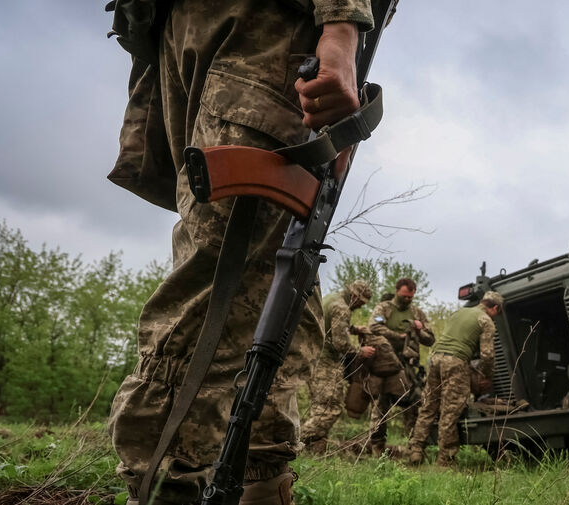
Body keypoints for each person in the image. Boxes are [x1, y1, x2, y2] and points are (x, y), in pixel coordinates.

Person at [106, 2, 376, 504]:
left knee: (274, 281)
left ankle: (260, 482)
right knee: (227, 279)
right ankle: (166, 486)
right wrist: (341, 31)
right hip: (259, 37)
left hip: (202, 35)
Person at [407, 291, 504, 467]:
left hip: (435, 359)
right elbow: (487, 355)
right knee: (449, 411)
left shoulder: (459, 312)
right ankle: (445, 460)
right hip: (455, 362)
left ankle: (416, 451)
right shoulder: (485, 320)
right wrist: (487, 375)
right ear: (495, 308)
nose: (497, 317)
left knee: (428, 407)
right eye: (498, 314)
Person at [300, 280, 375, 454]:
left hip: (313, 355)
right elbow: (340, 343)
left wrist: (354, 329)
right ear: (355, 296)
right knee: (329, 409)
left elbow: (329, 325)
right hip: (325, 362)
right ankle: (295, 442)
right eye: (361, 303)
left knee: (320, 407)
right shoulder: (342, 308)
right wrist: (360, 351)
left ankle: (311, 451)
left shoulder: (331, 298)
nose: (361, 306)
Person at [362, 278, 434, 455]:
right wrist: (398, 336)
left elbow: (430, 339)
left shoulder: (417, 313)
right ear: (397, 292)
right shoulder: (384, 309)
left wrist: (419, 330)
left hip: (409, 366)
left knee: (415, 404)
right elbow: (374, 326)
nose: (408, 300)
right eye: (404, 296)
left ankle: (414, 447)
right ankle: (377, 447)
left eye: (411, 297)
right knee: (381, 406)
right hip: (385, 365)